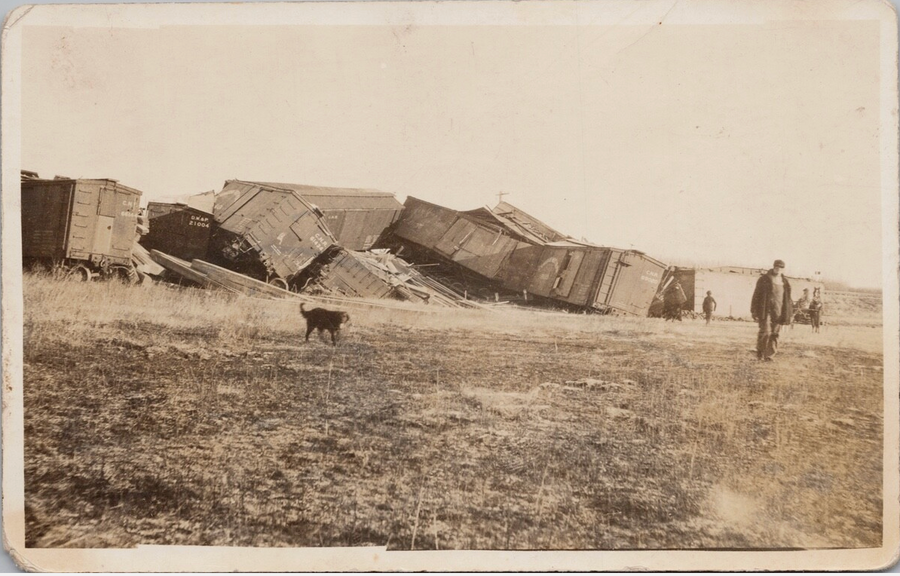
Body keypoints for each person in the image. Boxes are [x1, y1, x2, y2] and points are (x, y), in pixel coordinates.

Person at [750, 259, 793, 361]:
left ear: (783, 269)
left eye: (781, 268)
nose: (778, 270)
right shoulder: (764, 279)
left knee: (775, 333)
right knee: (765, 332)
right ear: (773, 267)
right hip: (765, 310)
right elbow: (756, 295)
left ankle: (770, 356)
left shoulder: (785, 282)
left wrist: (788, 313)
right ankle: (760, 352)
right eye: (777, 267)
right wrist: (754, 310)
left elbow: (788, 299)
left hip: (779, 311)